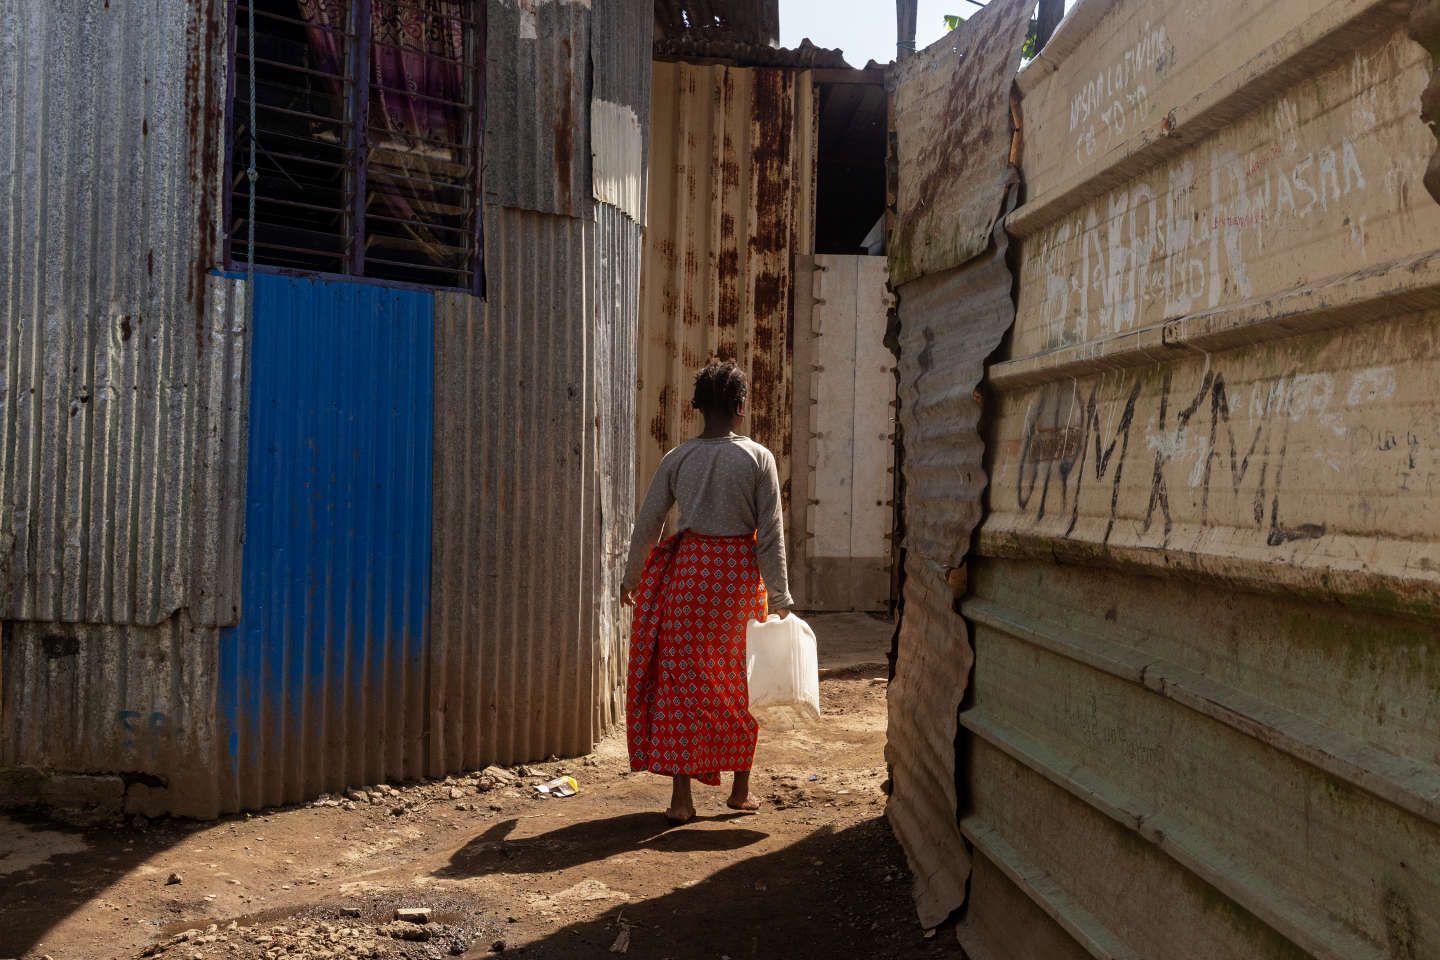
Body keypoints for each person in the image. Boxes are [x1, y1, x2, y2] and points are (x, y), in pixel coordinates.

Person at [621, 359, 794, 825]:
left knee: (682, 685)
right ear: (740, 407)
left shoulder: (678, 458)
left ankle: (682, 801)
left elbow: (650, 523)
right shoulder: (758, 458)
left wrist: (632, 576)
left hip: (688, 577)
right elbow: (771, 533)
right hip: (737, 581)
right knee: (740, 682)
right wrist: (779, 597)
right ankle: (740, 791)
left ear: (699, 408)